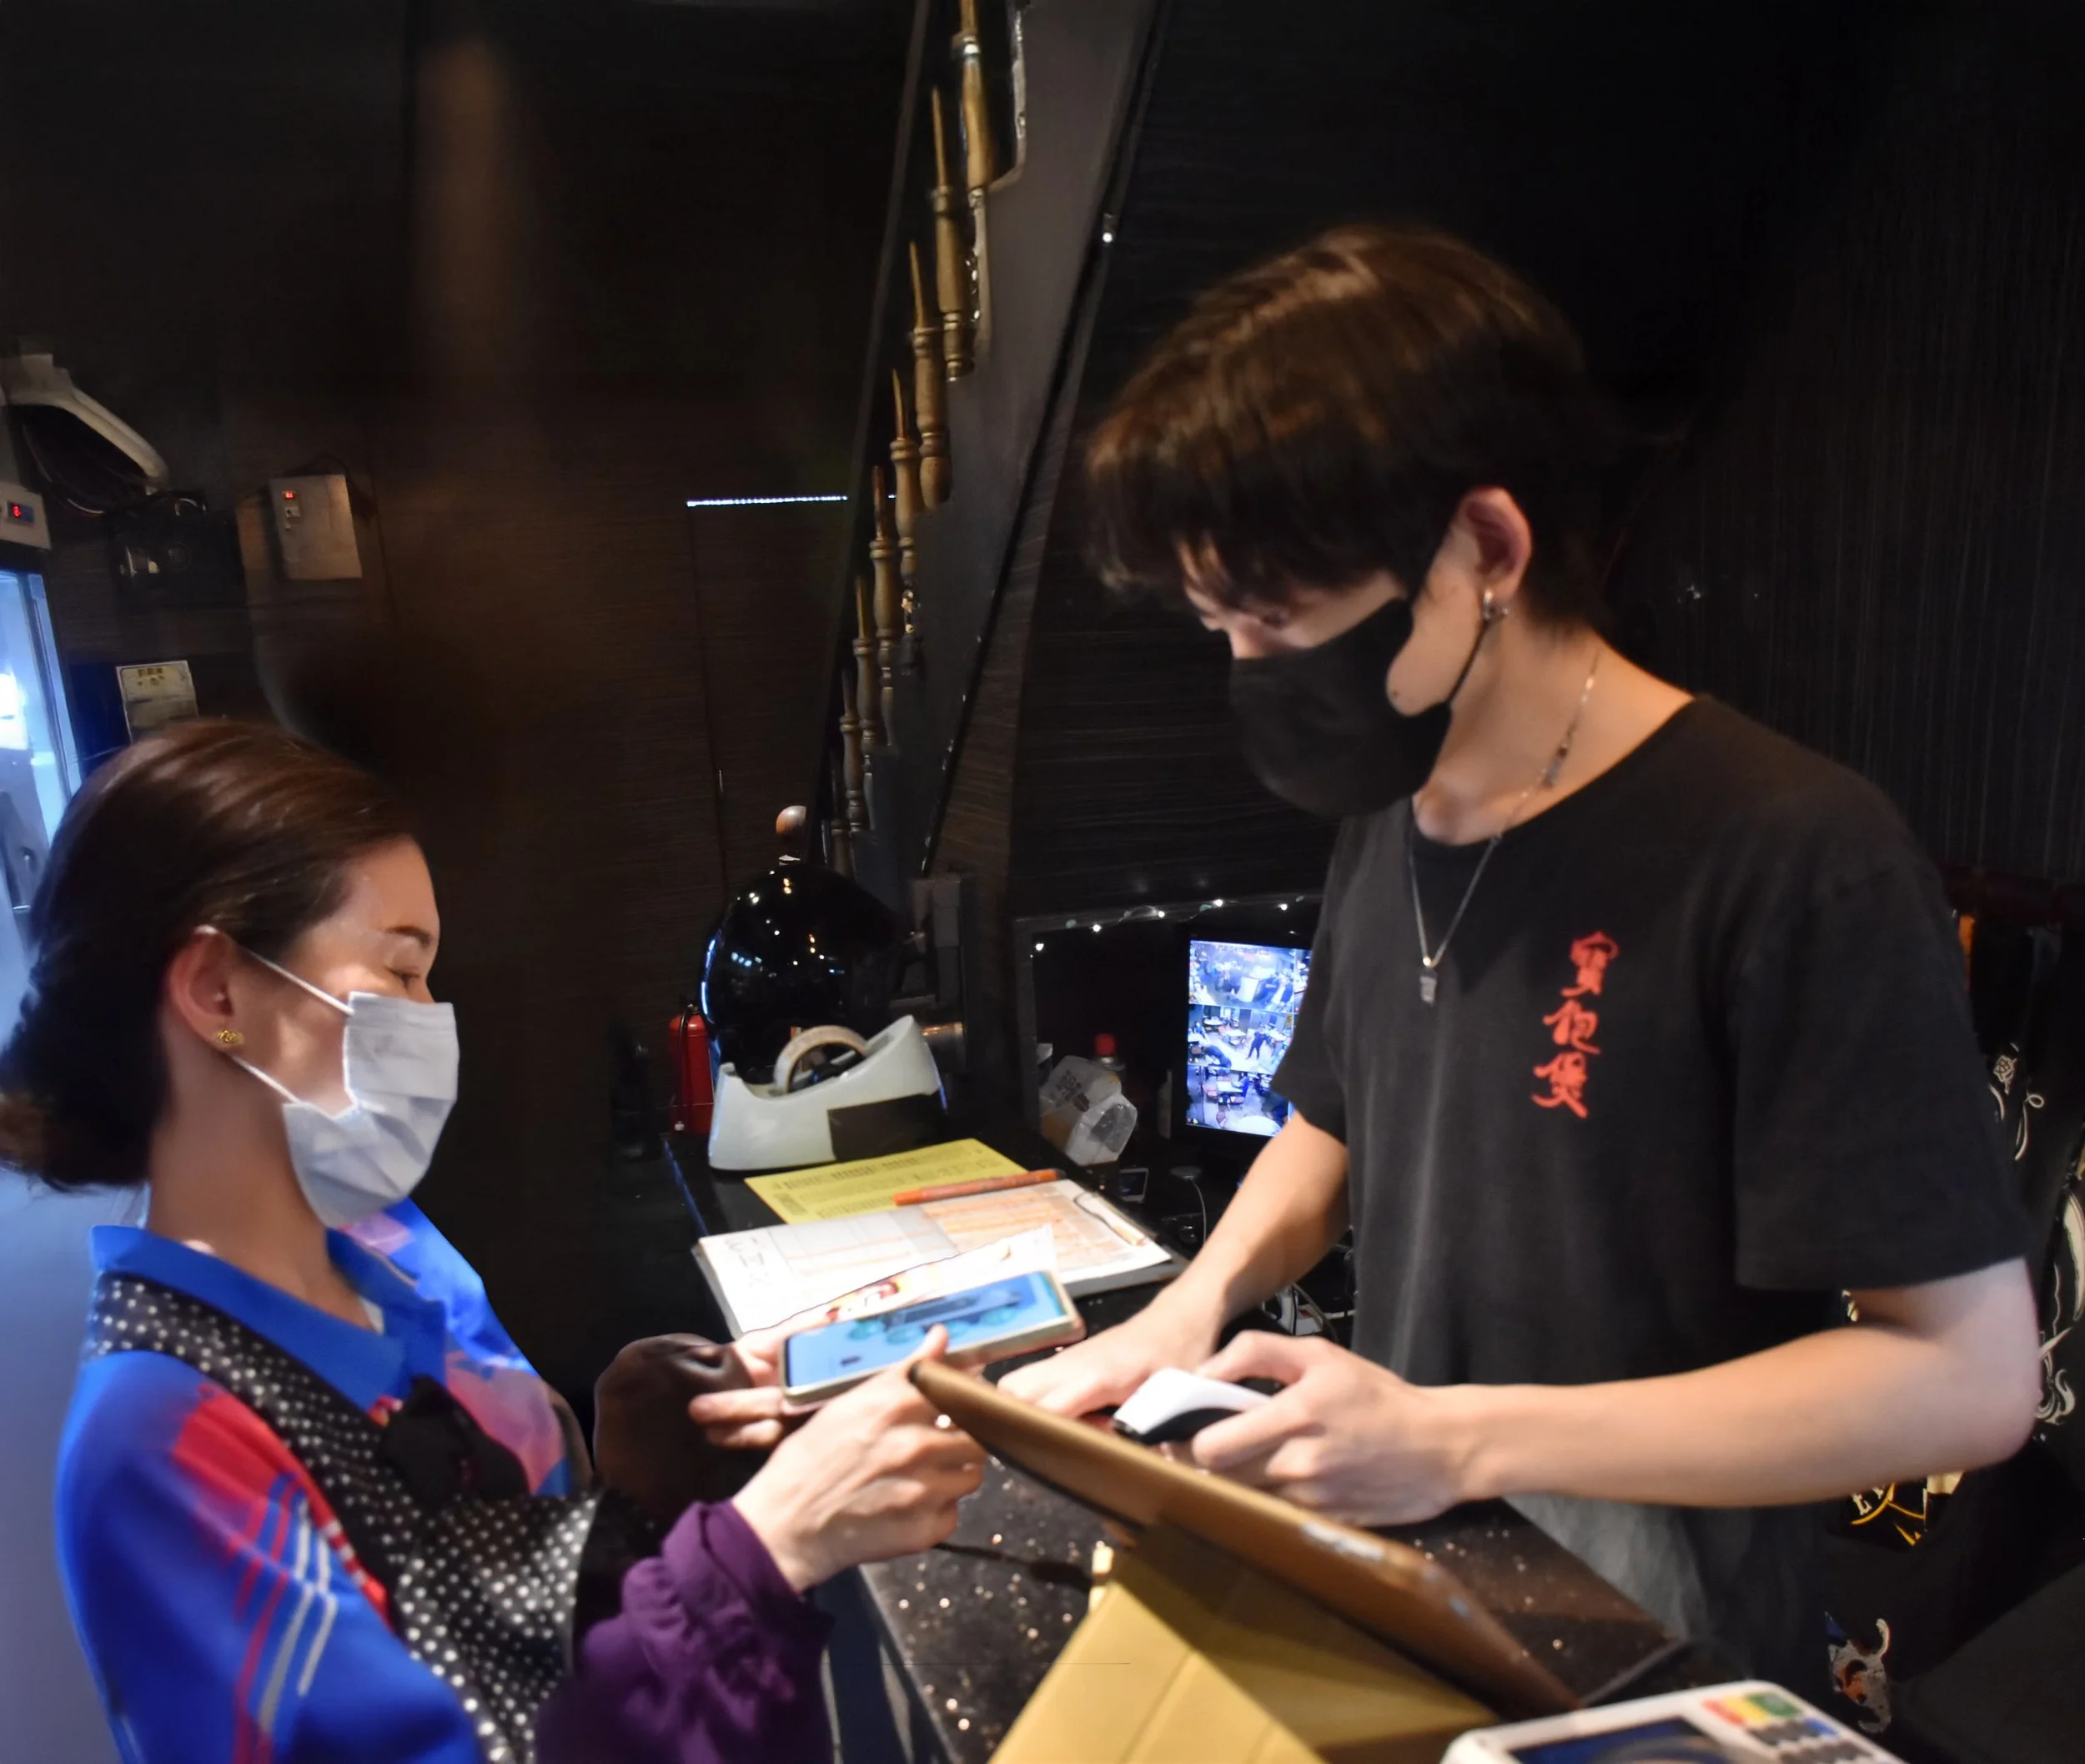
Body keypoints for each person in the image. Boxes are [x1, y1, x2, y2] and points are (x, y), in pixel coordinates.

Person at [1000, 224, 2042, 1691]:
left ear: (1486, 547)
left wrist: (1455, 1434)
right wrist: (1187, 1308)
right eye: (1220, 626)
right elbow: (1336, 1117)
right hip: (1419, 1580)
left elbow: (1968, 1379)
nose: (1250, 672)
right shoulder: (1389, 804)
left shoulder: (1794, 853)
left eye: (1279, 619)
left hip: (1654, 1651)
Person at [1, 719, 982, 1763]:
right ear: (219, 994)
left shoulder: (392, 1248)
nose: (434, 1017)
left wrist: (645, 1456)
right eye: (400, 970)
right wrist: (768, 1542)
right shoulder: (157, 1445)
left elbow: (490, 1603)